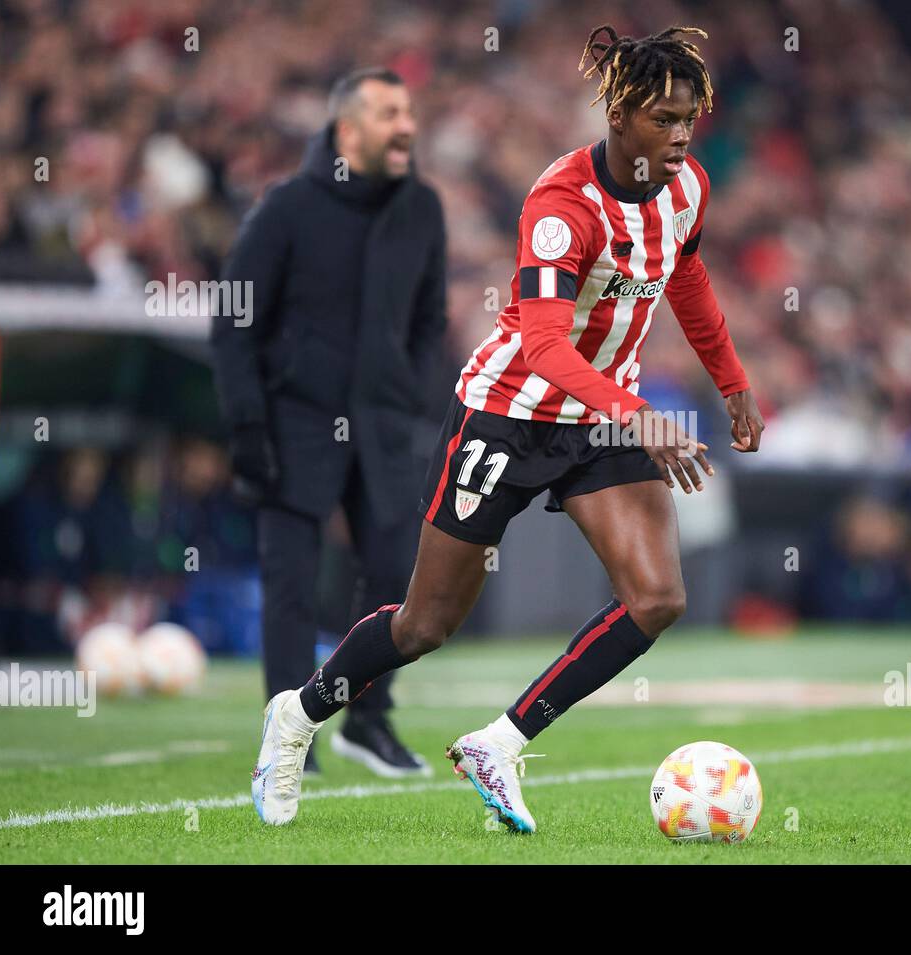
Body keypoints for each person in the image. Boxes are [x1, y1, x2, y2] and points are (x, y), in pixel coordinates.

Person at [250, 24, 764, 831]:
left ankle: (501, 740)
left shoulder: (688, 187)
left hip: (598, 421)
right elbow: (545, 343)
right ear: (620, 116)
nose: (680, 135)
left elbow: (687, 274)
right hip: (511, 415)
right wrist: (639, 415)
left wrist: (730, 380)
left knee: (657, 597)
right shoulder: (562, 203)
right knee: (424, 625)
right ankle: (300, 712)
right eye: (664, 119)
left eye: (689, 119)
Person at [214, 68, 448, 777]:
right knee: (292, 585)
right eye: (387, 114)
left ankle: (366, 722)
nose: (406, 125)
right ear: (347, 131)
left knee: (393, 580)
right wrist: (250, 429)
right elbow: (234, 323)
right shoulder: (287, 207)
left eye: (408, 111)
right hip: (296, 424)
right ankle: (290, 738)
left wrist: (411, 399)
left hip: (381, 426)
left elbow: (429, 322)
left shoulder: (424, 208)